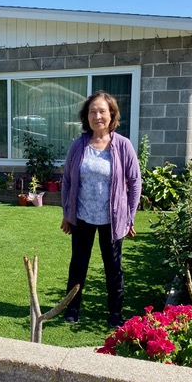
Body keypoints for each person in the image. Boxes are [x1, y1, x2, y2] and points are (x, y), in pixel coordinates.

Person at [60, 91, 141, 328]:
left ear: (111, 114)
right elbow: (67, 180)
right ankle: (71, 309)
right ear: (86, 116)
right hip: (83, 216)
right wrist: (67, 214)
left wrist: (130, 217)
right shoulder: (79, 145)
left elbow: (135, 181)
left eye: (102, 111)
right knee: (78, 266)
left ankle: (115, 314)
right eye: (92, 111)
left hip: (112, 220)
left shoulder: (123, 145)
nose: (97, 116)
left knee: (113, 268)